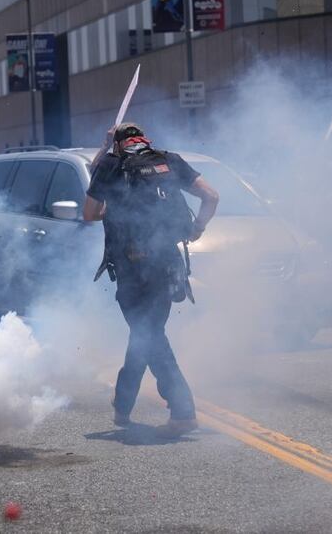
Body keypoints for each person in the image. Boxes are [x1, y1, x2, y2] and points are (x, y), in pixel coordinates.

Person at [83, 123, 219, 438]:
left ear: (117, 144)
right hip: (168, 267)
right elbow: (212, 196)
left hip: (132, 269)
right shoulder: (167, 160)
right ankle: (122, 403)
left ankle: (183, 410)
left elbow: (90, 213)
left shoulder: (110, 165)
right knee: (146, 334)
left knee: (149, 335)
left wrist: (106, 153)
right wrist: (197, 228)